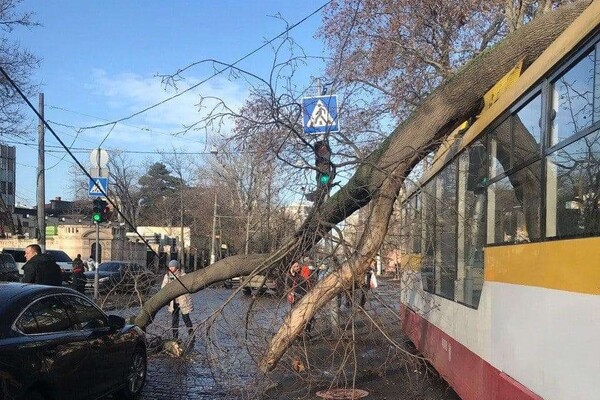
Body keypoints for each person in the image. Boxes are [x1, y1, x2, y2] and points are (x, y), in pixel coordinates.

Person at [161, 260, 194, 340]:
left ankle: (191, 334)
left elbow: (186, 286)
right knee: (174, 320)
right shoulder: (167, 276)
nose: (171, 268)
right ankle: (175, 337)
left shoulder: (182, 275)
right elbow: (163, 287)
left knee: (186, 318)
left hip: (183, 301)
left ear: (177, 267)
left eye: (173, 266)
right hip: (173, 302)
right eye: (170, 267)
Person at [286, 261, 313, 335]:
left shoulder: (303, 273)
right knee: (297, 316)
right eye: (295, 266)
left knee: (308, 315)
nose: (297, 268)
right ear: (291, 267)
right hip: (296, 298)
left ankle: (307, 333)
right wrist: (292, 274)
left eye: (298, 266)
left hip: (305, 296)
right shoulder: (289, 276)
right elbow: (287, 287)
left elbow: (308, 279)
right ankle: (297, 333)